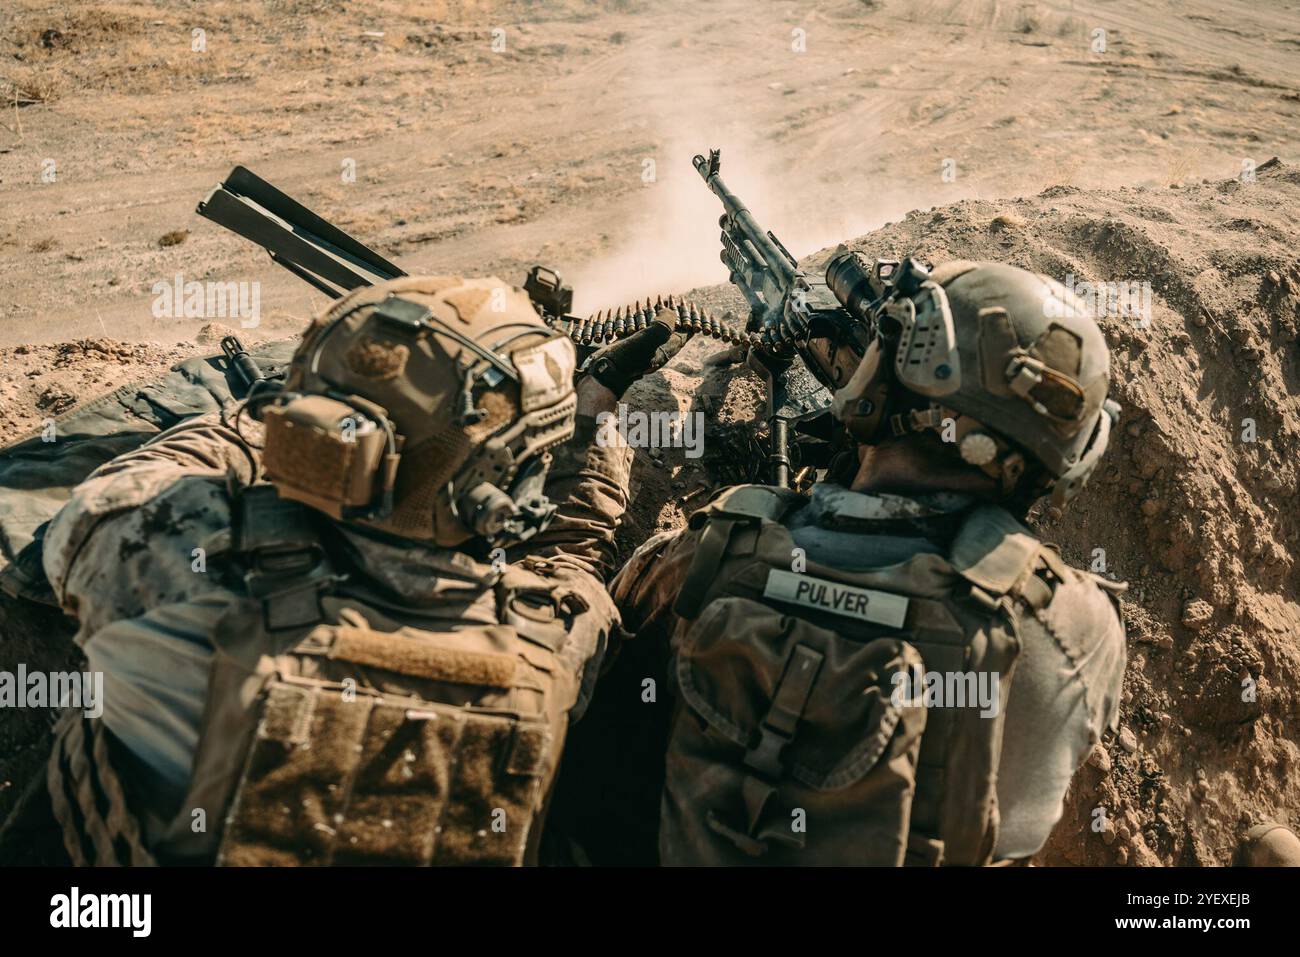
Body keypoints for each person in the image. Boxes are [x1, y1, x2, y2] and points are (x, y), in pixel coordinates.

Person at [36, 274, 683, 866]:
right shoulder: (547, 643)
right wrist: (593, 411)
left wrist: (303, 414)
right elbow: (572, 551)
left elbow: (134, 484)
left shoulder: (154, 557)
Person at [555, 259, 1128, 866]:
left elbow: (579, 638)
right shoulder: (1074, 630)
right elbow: (1013, 824)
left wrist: (590, 411)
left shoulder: (706, 557)